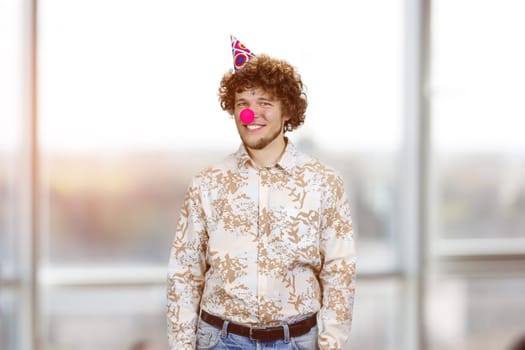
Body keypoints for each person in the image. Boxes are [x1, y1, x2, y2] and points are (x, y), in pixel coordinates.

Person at [167, 36, 356, 350]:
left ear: (287, 112)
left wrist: (331, 343)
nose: (250, 113)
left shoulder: (325, 183)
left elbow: (340, 271)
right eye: (243, 103)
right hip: (219, 341)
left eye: (265, 102)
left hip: (297, 341)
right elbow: (185, 273)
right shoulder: (207, 183)